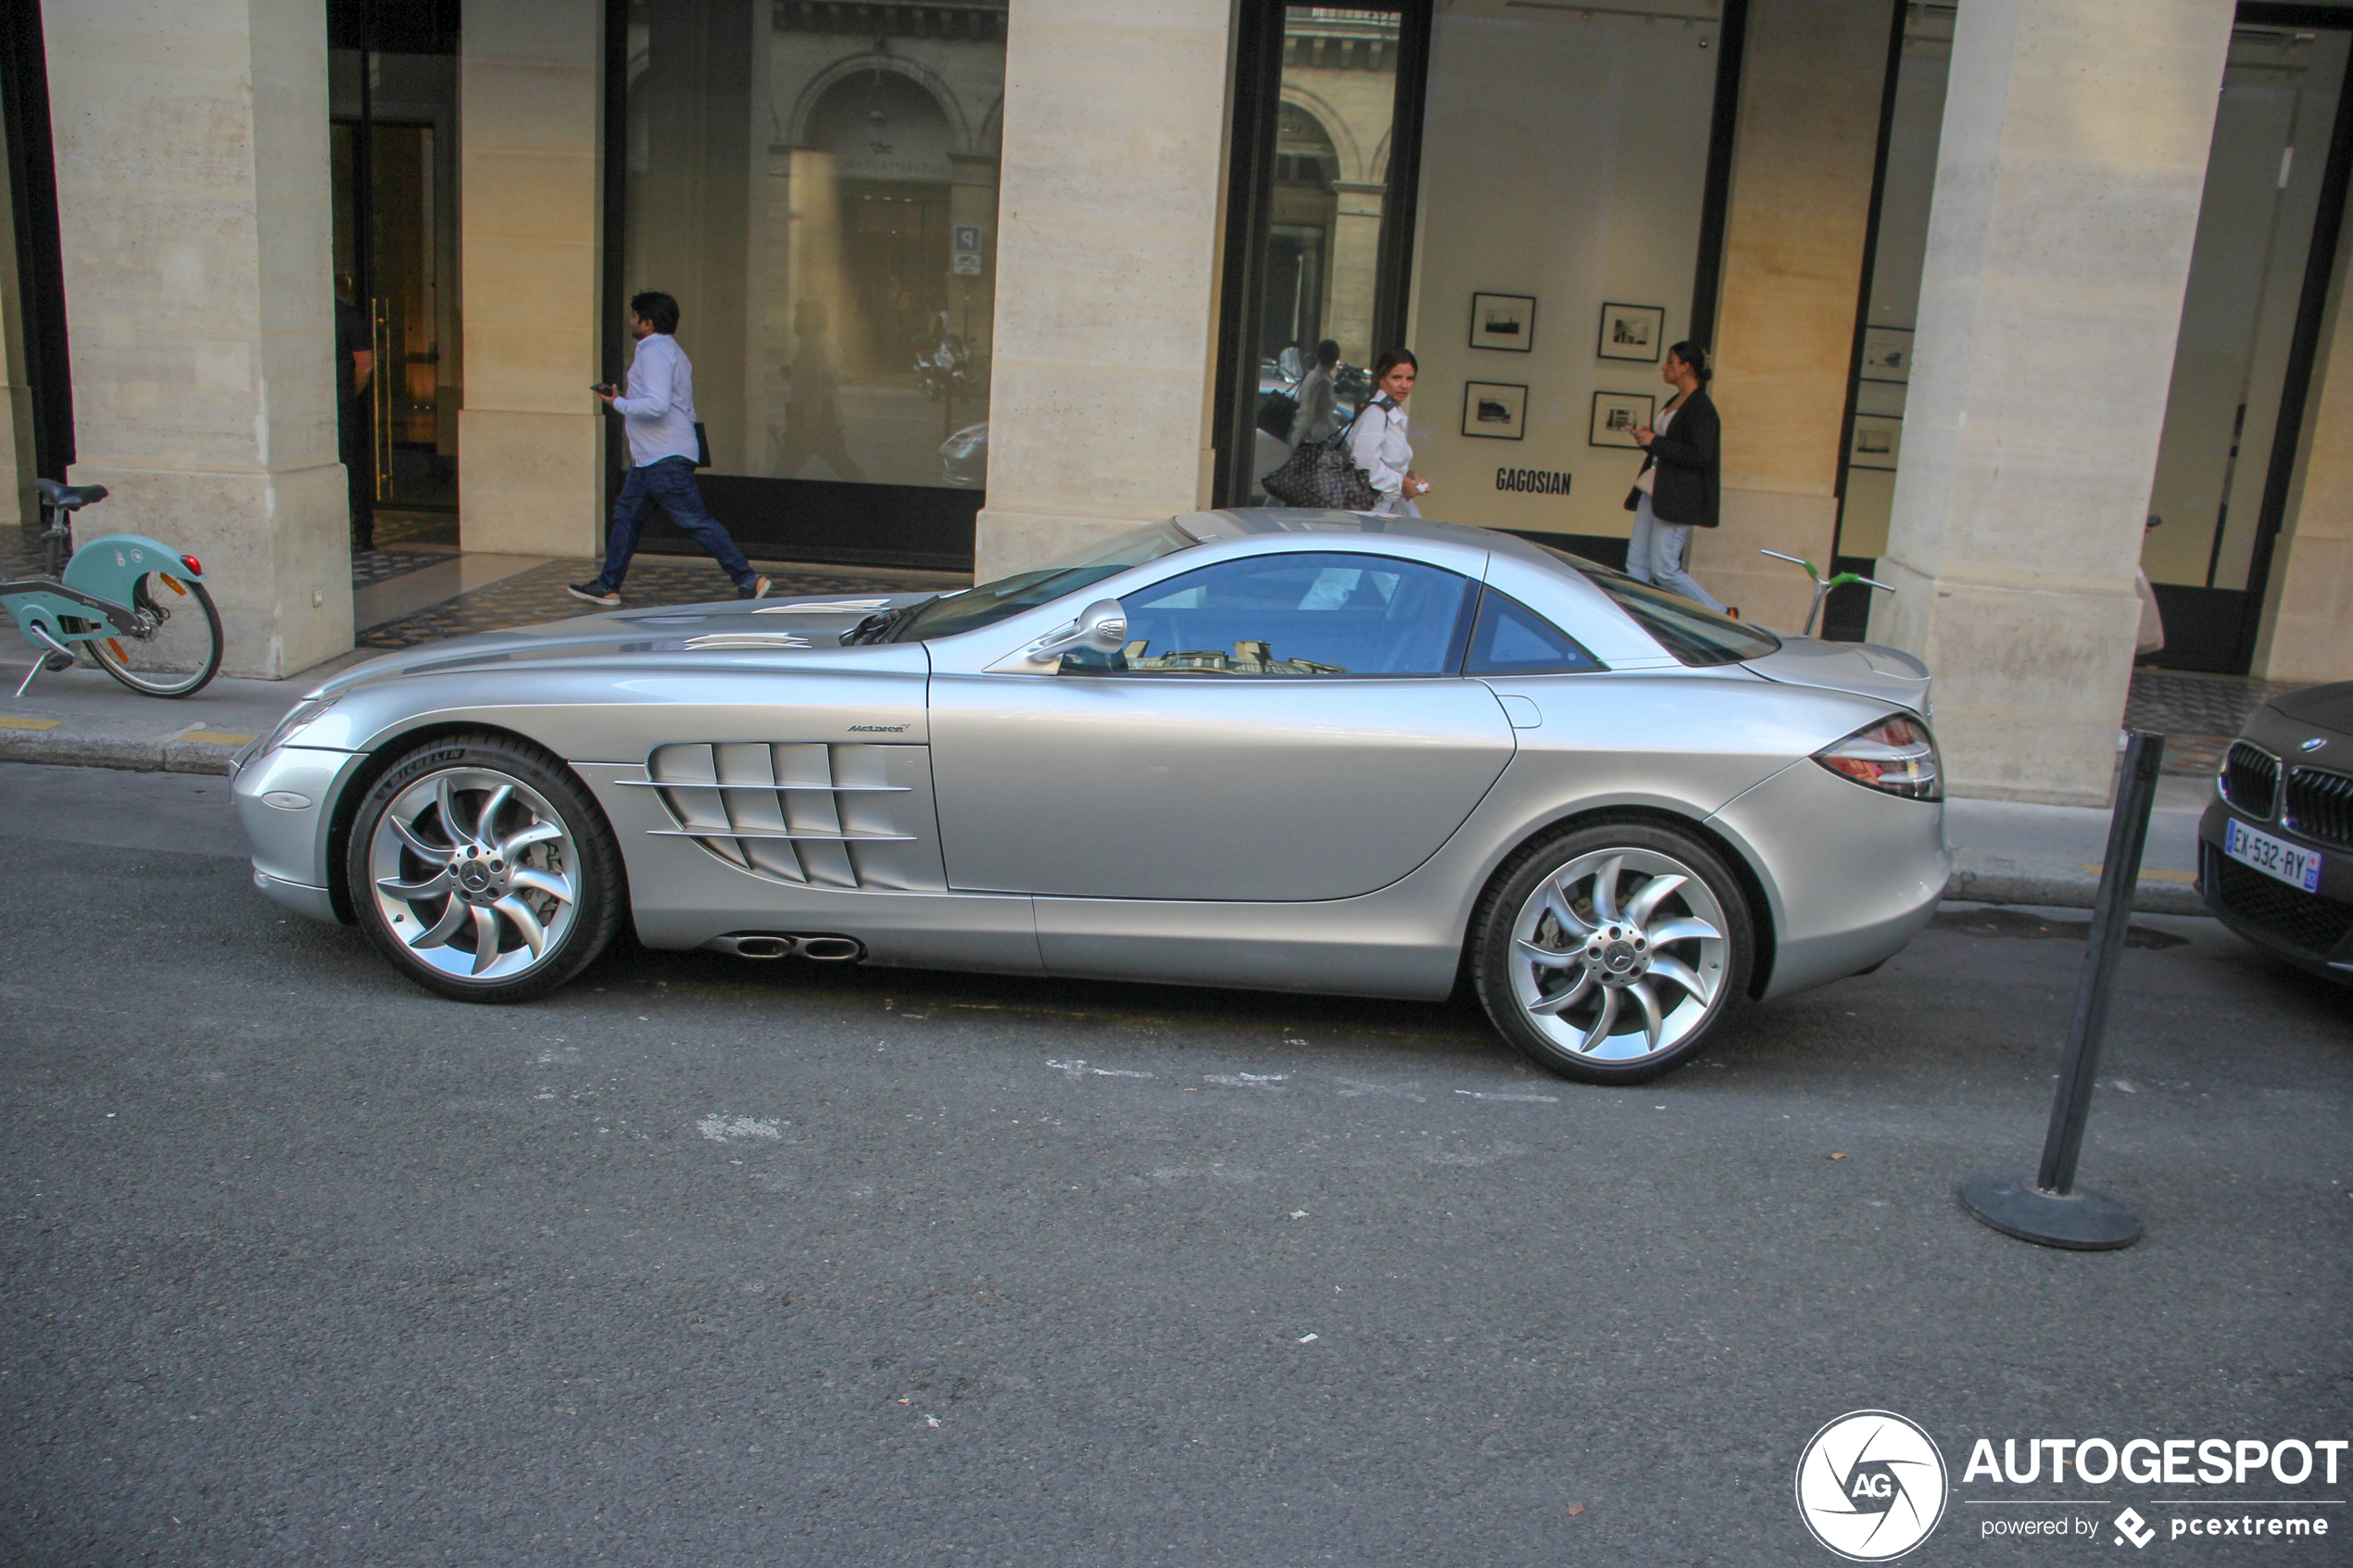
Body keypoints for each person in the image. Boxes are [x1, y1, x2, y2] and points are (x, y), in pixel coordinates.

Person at [571, 292, 771, 607]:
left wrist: (617, 403)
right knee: (627, 516)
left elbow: (657, 404)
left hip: (662, 456)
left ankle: (747, 577)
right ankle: (608, 585)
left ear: (647, 322)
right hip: (652, 456)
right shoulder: (670, 350)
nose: (631, 321)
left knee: (695, 520)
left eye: (634, 316)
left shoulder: (654, 351)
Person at [1625, 340, 1730, 614]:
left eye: (1670, 361)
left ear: (1686, 367)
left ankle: (1720, 611)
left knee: (1664, 569)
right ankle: (1639, 617)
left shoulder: (1702, 408)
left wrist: (1656, 443)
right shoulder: (1675, 400)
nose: (1664, 367)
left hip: (1679, 496)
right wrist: (1648, 440)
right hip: (1656, 488)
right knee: (1636, 561)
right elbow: (1671, 444)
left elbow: (1701, 455)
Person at [1349, 347, 1430, 516]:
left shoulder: (1393, 415)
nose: (1404, 385)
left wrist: (1409, 475)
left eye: (1410, 378)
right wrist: (1402, 483)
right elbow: (1364, 464)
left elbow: (1386, 460)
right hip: (1372, 509)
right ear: (1381, 377)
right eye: (1396, 377)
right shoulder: (1376, 414)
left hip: (1387, 508)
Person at [334, 276, 374, 553]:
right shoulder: (349, 317)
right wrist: (351, 393)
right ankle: (362, 533)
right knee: (353, 468)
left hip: (335, 401)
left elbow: (364, 364)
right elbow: (365, 366)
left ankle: (360, 531)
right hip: (343, 401)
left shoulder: (336, 318)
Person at [1292, 338, 1342, 445]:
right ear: (1334, 358)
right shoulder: (1323, 381)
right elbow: (1318, 415)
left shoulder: (1312, 375)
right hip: (1311, 438)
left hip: (1301, 431)